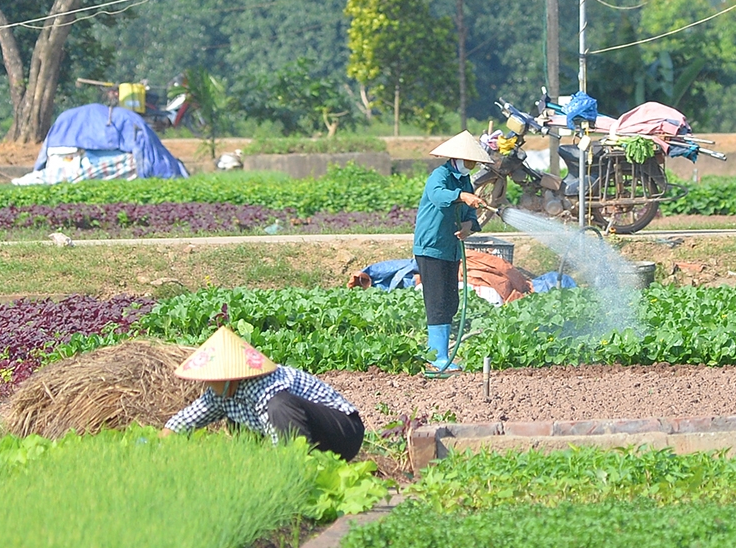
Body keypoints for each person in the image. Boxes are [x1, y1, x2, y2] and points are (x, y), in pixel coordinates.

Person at [161, 326, 365, 460]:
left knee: (279, 405)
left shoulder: (265, 386)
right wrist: (156, 446)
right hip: (307, 434)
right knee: (236, 420)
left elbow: (278, 425)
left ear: (229, 376)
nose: (206, 382)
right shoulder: (220, 394)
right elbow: (184, 422)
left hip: (342, 432)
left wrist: (279, 467)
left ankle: (296, 468)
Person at [414, 131, 491, 373]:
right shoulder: (440, 176)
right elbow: (438, 196)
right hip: (431, 246)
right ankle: (435, 355)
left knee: (450, 300)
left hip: (450, 248)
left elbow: (469, 214)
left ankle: (442, 353)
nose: (471, 166)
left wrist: (469, 225)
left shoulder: (464, 180)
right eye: (468, 162)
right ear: (455, 159)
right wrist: (461, 196)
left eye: (474, 163)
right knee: (437, 300)